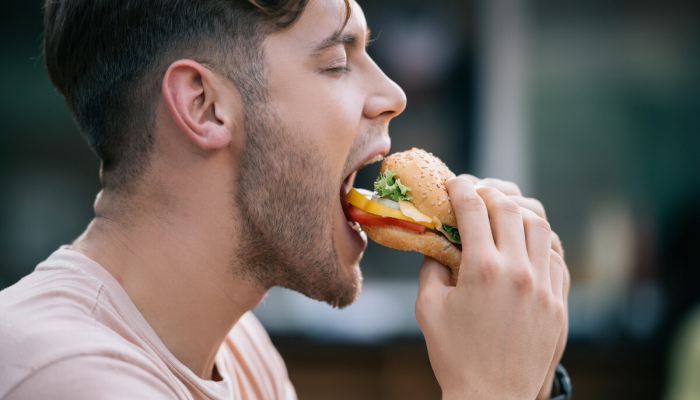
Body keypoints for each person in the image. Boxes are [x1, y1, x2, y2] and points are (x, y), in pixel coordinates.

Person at [0, 0, 570, 399]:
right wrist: (490, 390)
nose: (393, 95)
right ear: (203, 105)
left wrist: (532, 376)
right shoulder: (63, 373)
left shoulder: (241, 350)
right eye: (338, 61)